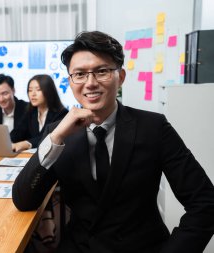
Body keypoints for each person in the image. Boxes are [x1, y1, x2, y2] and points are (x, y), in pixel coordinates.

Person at [12, 31, 214, 253]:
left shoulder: (153, 127)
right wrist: (56, 138)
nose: (90, 83)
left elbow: (205, 203)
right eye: (79, 74)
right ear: (70, 81)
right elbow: (24, 200)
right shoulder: (58, 133)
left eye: (102, 71)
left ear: (121, 77)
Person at [11, 74, 68, 152]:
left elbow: (49, 138)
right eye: (30, 90)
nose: (33, 94)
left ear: (49, 91)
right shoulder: (30, 112)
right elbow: (18, 133)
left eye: (38, 90)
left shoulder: (61, 114)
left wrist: (26, 143)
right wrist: (7, 141)